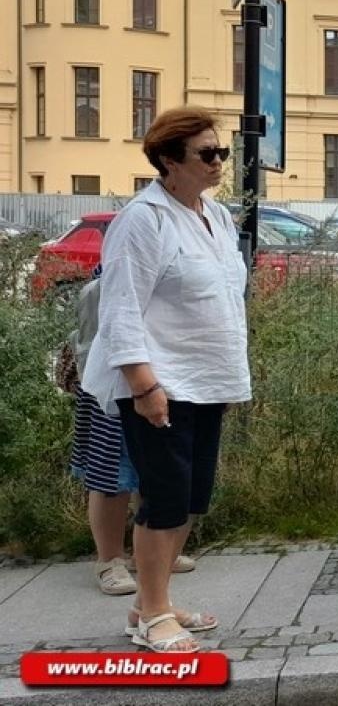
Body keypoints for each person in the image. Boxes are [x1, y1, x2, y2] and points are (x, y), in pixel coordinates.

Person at [81, 108, 250, 652]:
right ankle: (153, 614)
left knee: (192, 497)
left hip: (206, 380)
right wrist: (144, 385)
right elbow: (121, 308)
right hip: (160, 384)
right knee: (164, 498)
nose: (219, 161)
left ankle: (153, 602)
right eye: (207, 153)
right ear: (169, 161)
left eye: (221, 151)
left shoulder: (215, 215)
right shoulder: (143, 219)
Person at [61, 273, 198, 596]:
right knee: (111, 473)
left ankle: (148, 554)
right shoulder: (111, 279)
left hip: (165, 378)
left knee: (153, 467)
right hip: (114, 385)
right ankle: (109, 560)